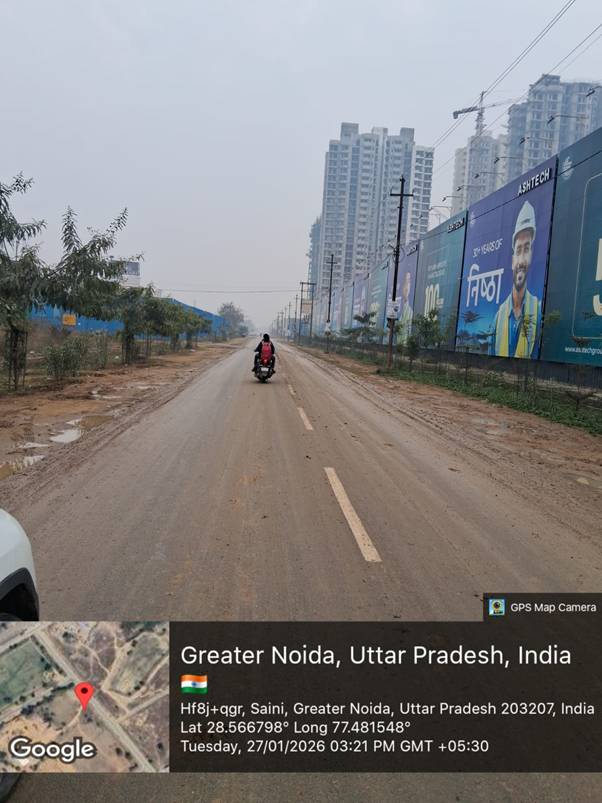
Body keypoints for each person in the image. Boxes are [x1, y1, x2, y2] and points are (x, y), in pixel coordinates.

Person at [489, 200, 540, 358]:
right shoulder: (499, 317)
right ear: (512, 261)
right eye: (518, 250)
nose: (521, 260)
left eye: (526, 249)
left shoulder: (538, 311)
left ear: (531, 256)